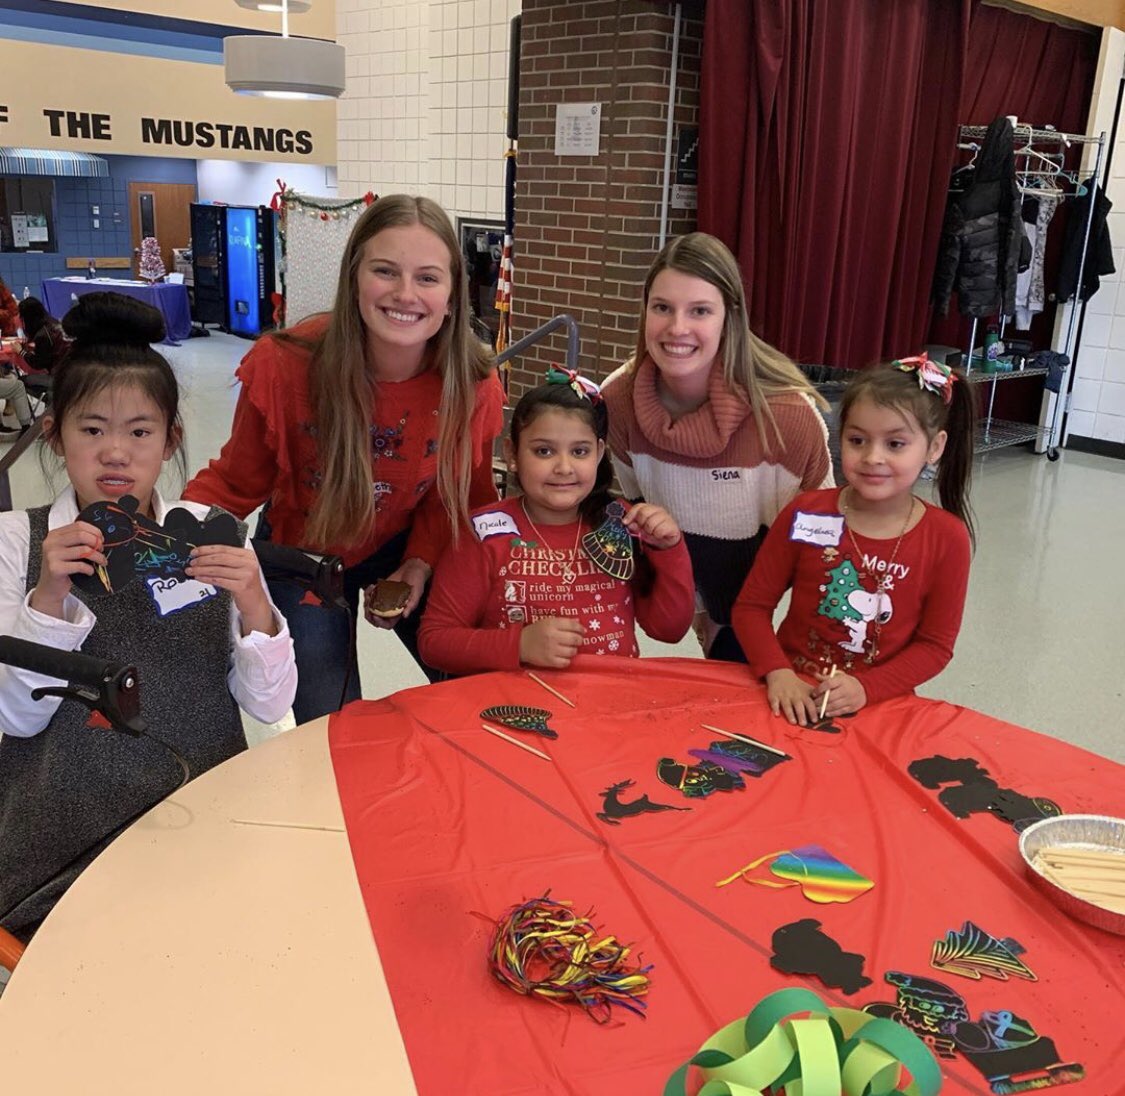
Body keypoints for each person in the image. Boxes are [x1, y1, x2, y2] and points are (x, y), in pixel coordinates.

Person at [0, 292, 297, 939]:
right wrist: (49, 594)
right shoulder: (16, 542)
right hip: (62, 845)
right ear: (55, 433)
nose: (115, 453)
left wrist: (254, 605)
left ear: (170, 441)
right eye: (91, 428)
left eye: (139, 431)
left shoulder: (205, 536)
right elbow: (14, 718)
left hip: (206, 822)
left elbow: (271, 704)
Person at [184, 195, 505, 721]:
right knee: (332, 724)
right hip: (302, 552)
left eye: (427, 277)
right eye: (385, 271)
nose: (405, 294)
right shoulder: (286, 366)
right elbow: (236, 482)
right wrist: (162, 531)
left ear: (452, 296)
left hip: (407, 544)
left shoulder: (472, 382)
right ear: (354, 277)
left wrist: (421, 561)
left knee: (482, 691)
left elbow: (461, 498)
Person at [601, 232, 833, 664]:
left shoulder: (788, 418)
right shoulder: (617, 400)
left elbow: (825, 548)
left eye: (700, 311)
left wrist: (750, 628)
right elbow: (636, 501)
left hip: (769, 609)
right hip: (688, 584)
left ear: (730, 317)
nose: (677, 328)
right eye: (662, 308)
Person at [731, 354, 975, 725]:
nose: (872, 457)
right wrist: (777, 673)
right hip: (790, 696)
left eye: (895, 444)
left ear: (934, 447)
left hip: (881, 707)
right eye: (857, 440)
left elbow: (935, 646)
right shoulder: (805, 513)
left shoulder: (947, 538)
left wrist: (868, 688)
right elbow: (751, 608)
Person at [418, 371, 694, 674]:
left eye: (579, 451)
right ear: (512, 454)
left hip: (608, 706)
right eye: (544, 451)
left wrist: (669, 550)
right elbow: (436, 641)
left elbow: (669, 630)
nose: (564, 467)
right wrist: (519, 645)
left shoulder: (620, 522)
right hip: (513, 710)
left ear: (599, 454)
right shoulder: (484, 532)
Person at [17, 296, 71, 374]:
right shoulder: (54, 322)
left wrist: (21, 352)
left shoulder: (42, 336)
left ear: (27, 318)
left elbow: (38, 364)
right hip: (67, 368)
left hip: (59, 375)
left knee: (22, 381)